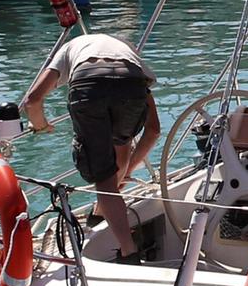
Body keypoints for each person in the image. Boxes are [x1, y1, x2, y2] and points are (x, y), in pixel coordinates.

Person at [23, 31, 159, 261]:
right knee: (121, 143)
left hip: (89, 82)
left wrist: (41, 125)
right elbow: (153, 130)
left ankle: (129, 251)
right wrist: (128, 171)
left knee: (104, 175)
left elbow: (32, 100)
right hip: (131, 84)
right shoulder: (131, 57)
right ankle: (99, 213)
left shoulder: (69, 48)